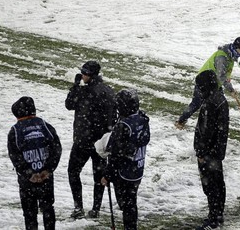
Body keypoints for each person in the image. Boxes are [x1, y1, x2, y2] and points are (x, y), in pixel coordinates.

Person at [64, 60, 116, 219]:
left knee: (73, 171)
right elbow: (113, 116)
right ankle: (96, 208)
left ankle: (78, 207)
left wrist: (75, 86)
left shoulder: (82, 92)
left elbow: (68, 104)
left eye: (84, 73)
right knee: (99, 176)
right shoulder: (108, 91)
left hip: (83, 141)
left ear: (90, 75)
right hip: (100, 142)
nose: (82, 75)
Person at [8, 96, 62, 230]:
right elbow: (56, 148)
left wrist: (28, 173)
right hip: (46, 178)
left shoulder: (15, 130)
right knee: (48, 209)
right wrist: (48, 170)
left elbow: (15, 156)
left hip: (27, 180)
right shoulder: (45, 125)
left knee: (30, 213)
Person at [101, 89, 150, 230]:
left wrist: (107, 175)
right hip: (138, 168)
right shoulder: (142, 119)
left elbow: (116, 154)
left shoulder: (124, 125)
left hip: (124, 172)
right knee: (131, 203)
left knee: (126, 205)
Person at [176, 37, 240, 128]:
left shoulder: (231, 57)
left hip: (215, 83)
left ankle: (213, 126)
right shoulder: (222, 56)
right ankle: (181, 121)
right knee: (196, 104)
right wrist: (230, 89)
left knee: (219, 105)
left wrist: (228, 85)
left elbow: (225, 75)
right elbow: (221, 75)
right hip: (204, 81)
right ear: (235, 46)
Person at [193, 70, 229, 230]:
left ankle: (213, 218)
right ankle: (217, 214)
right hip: (218, 151)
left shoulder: (209, 103)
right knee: (218, 184)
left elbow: (206, 130)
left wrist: (201, 152)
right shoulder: (220, 99)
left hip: (209, 153)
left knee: (210, 186)